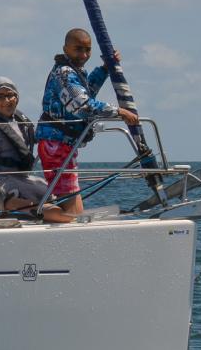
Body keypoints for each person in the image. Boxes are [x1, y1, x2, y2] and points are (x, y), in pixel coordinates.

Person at [37, 28, 139, 215]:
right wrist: (119, 111)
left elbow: (87, 92)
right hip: (55, 146)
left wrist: (105, 69)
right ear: (65, 49)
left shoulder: (75, 71)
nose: (84, 55)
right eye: (78, 49)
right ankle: (50, 216)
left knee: (70, 200)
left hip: (62, 145)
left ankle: (64, 219)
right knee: (71, 207)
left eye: (87, 49)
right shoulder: (64, 73)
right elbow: (83, 106)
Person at [0, 77, 77, 224]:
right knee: (62, 213)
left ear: (17, 97)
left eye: (10, 95)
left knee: (54, 192)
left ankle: (59, 215)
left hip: (21, 179)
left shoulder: (22, 123)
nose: (6, 100)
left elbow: (41, 139)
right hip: (1, 185)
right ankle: (1, 204)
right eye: (0, 97)